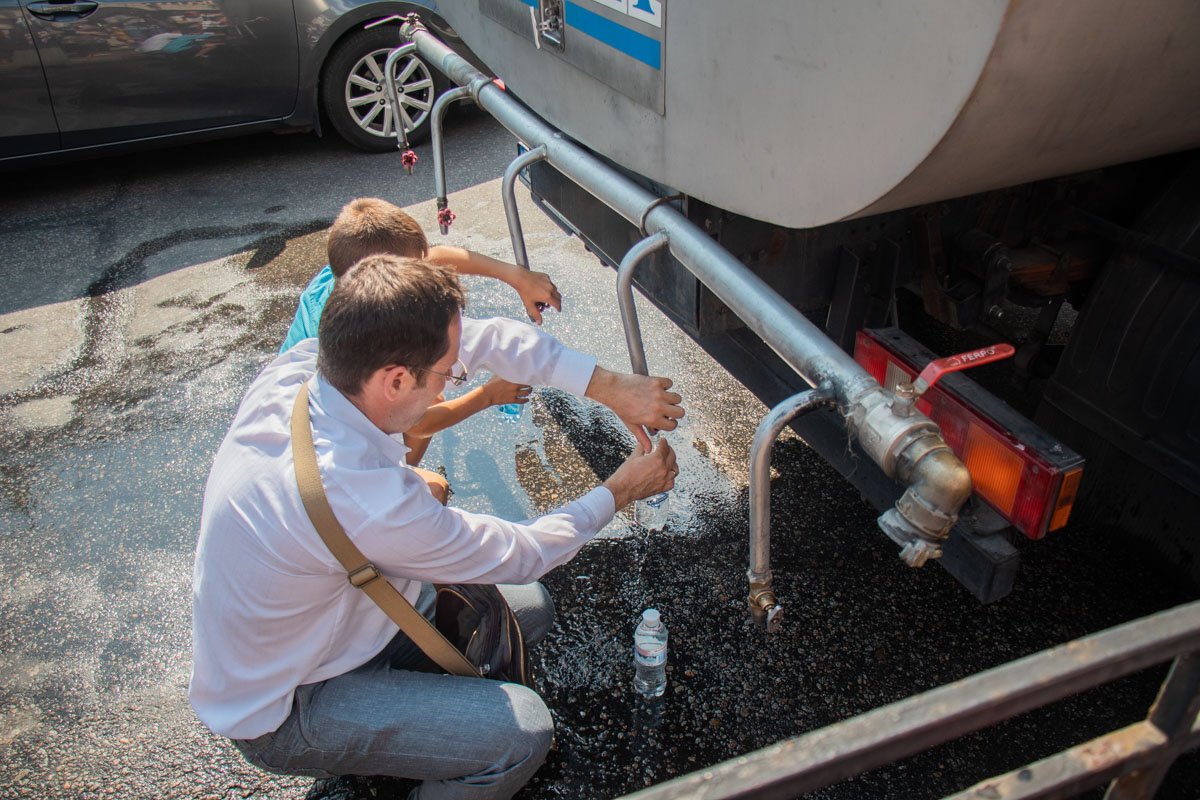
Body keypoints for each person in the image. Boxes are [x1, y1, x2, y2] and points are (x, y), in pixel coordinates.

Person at [190, 254, 683, 799]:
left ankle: (410, 735)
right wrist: (620, 490)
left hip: (332, 628)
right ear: (396, 379)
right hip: (287, 704)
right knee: (521, 732)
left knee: (527, 610)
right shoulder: (364, 497)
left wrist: (608, 385)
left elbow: (490, 340)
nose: (453, 383)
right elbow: (522, 552)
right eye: (448, 376)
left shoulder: (305, 366)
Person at [280, 197, 564, 470]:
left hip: (306, 414)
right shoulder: (363, 337)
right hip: (317, 447)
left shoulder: (350, 275)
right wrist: (487, 396)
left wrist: (515, 276)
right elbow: (419, 424)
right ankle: (398, 479)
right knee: (426, 398)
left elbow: (435, 257)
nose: (426, 272)